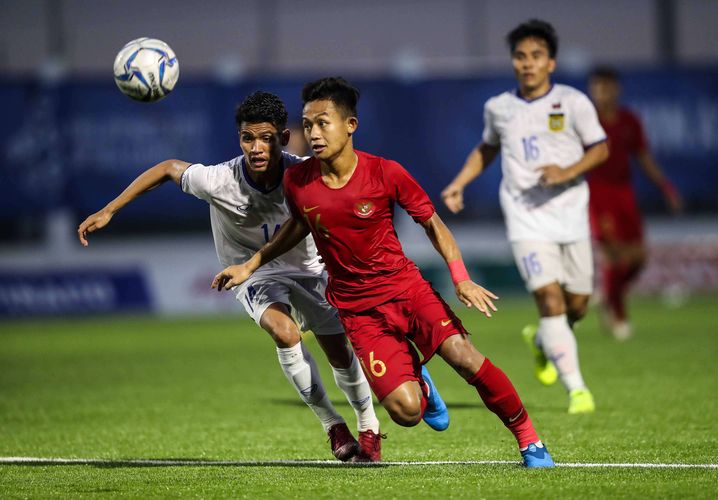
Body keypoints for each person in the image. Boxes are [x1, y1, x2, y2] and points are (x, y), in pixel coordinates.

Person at [211, 77, 555, 467]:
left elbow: (433, 224)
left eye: (323, 123)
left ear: (350, 125)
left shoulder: (385, 173)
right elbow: (299, 225)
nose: (313, 134)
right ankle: (419, 378)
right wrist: (251, 263)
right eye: (307, 125)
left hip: (406, 289)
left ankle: (530, 440)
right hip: (357, 310)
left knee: (464, 357)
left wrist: (460, 277)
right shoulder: (297, 182)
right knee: (407, 413)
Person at [77, 91, 387, 462]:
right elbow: (167, 168)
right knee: (284, 331)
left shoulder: (306, 174)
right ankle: (333, 425)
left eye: (266, 138)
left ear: (284, 139)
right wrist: (110, 210)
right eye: (247, 138)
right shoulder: (219, 179)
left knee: (339, 352)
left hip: (309, 270)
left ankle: (368, 425)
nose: (256, 147)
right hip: (253, 274)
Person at [441, 20, 609, 415]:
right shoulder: (499, 108)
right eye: (520, 56)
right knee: (550, 300)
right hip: (525, 219)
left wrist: (566, 172)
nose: (527, 64)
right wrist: (459, 182)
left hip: (570, 217)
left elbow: (600, 149)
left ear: (551, 63)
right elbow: (487, 149)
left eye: (536, 56)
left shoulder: (573, 102)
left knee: (578, 305)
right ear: (513, 62)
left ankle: (541, 341)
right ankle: (578, 390)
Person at [587, 66, 682, 340]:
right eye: (597, 88)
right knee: (614, 256)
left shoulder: (629, 120)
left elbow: (643, 157)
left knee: (638, 259)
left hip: (624, 194)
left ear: (617, 89)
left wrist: (666, 187)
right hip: (599, 193)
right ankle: (619, 318)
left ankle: (608, 295)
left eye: (607, 87)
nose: (602, 93)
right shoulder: (586, 121)